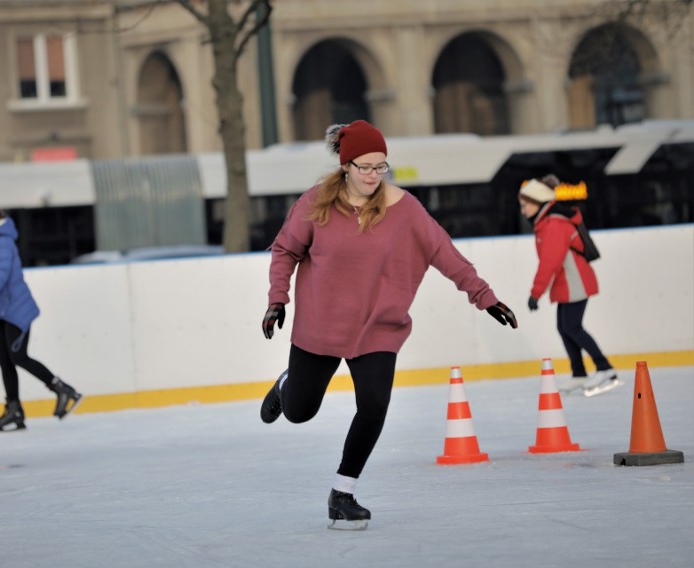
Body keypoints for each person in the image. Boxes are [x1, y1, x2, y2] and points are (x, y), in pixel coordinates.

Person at [259, 120, 518, 530]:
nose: (374, 176)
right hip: (321, 326)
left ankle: (342, 493)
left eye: (381, 167)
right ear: (346, 165)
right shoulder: (315, 203)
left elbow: (443, 253)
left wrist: (485, 296)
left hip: (378, 327)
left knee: (374, 407)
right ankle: (288, 384)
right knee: (299, 413)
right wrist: (278, 299)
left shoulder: (404, 209)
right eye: (365, 167)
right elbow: (285, 250)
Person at [0, 202, 82, 431]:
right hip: (3, 312)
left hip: (16, 310)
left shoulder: (2, 242)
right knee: (5, 359)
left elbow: (1, 276)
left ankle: (63, 389)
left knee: (18, 356)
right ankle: (15, 410)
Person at [518, 176, 619, 397]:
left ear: (537, 202)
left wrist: (535, 294)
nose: (523, 210)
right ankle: (579, 373)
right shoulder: (546, 223)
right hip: (568, 283)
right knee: (564, 328)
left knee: (572, 327)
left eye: (525, 205)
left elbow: (550, 262)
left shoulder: (554, 224)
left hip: (576, 282)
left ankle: (605, 368)